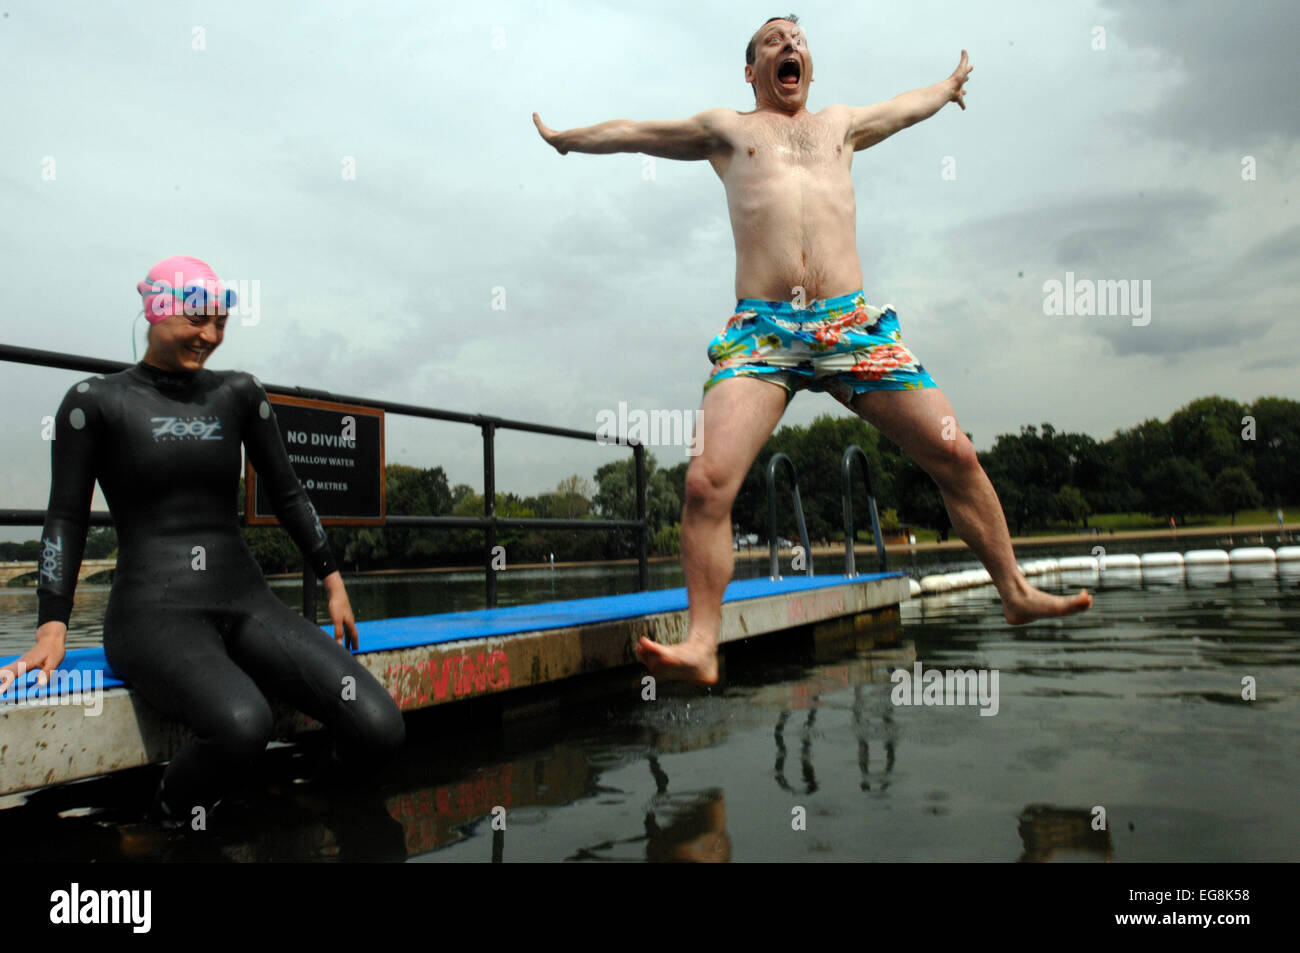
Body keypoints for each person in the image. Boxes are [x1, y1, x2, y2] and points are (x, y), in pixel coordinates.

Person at [534, 16, 1092, 684]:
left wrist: (946, 87)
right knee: (707, 483)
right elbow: (637, 133)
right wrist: (570, 141)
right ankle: (703, 642)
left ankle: (1015, 591)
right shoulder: (729, 130)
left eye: (796, 39)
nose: (788, 46)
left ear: (811, 65)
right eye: (773, 40)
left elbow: (904, 109)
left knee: (954, 451)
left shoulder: (840, 125)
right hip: (764, 332)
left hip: (850, 325)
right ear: (751, 70)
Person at [0, 256, 404, 826]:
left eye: (220, 323)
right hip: (151, 613)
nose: (210, 336)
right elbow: (66, 516)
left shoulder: (239, 394)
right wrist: (51, 624)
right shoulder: (94, 402)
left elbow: (288, 494)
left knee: (380, 727)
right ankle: (163, 822)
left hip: (246, 601)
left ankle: (312, 807)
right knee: (243, 723)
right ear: (156, 312)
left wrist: (333, 581)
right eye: (197, 320)